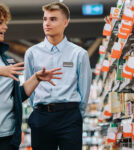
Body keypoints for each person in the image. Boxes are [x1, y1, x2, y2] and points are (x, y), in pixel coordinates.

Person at [25, 2, 92, 150]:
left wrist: (76, 116)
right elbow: (29, 89)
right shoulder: (32, 53)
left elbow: (84, 89)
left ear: (66, 22)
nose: (47, 23)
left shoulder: (79, 54)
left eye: (53, 19)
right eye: (44, 19)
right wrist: (38, 107)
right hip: (42, 117)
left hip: (70, 117)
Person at [0, 4, 62, 150]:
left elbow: (16, 96)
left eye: (4, 23)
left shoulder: (6, 59)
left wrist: (36, 78)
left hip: (7, 137)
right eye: (0, 23)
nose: (5, 27)